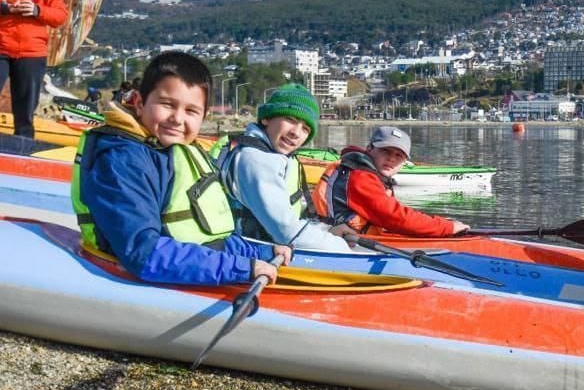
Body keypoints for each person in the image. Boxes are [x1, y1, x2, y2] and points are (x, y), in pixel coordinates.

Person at [71, 51, 290, 285]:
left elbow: (211, 238)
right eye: (167, 104)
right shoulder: (122, 159)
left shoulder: (171, 149)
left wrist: (261, 253)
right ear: (138, 102)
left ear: (204, 116)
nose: (177, 118)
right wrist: (240, 268)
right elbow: (142, 252)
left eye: (191, 111)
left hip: (190, 266)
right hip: (134, 275)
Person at [219, 84, 351, 252]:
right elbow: (286, 232)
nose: (296, 133)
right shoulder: (256, 160)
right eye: (291, 120)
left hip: (269, 245)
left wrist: (328, 230)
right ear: (267, 118)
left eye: (305, 129)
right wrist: (343, 247)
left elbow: (289, 221)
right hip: (250, 254)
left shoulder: (272, 155)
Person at [313, 125, 470, 237]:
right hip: (338, 241)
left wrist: (440, 223)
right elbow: (395, 217)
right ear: (369, 149)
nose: (391, 159)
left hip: (348, 235)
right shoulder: (359, 176)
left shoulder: (368, 173)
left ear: (404, 162)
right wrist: (446, 227)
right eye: (385, 151)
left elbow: (392, 214)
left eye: (398, 155)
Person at [0, 0, 68, 138]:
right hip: (1, 44)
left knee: (25, 112)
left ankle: (23, 157)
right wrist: (3, 7)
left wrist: (38, 11)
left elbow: (60, 15)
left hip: (31, 51)